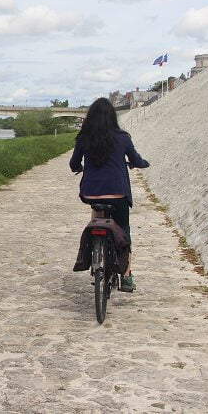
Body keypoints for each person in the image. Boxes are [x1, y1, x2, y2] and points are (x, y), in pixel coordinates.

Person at [69, 98, 149, 292]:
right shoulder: (122, 138)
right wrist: (142, 163)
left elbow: (73, 164)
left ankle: (94, 256)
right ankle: (127, 276)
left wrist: (80, 167)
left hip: (91, 193)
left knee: (97, 217)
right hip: (118, 194)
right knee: (124, 230)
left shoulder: (84, 138)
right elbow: (136, 159)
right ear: (113, 117)